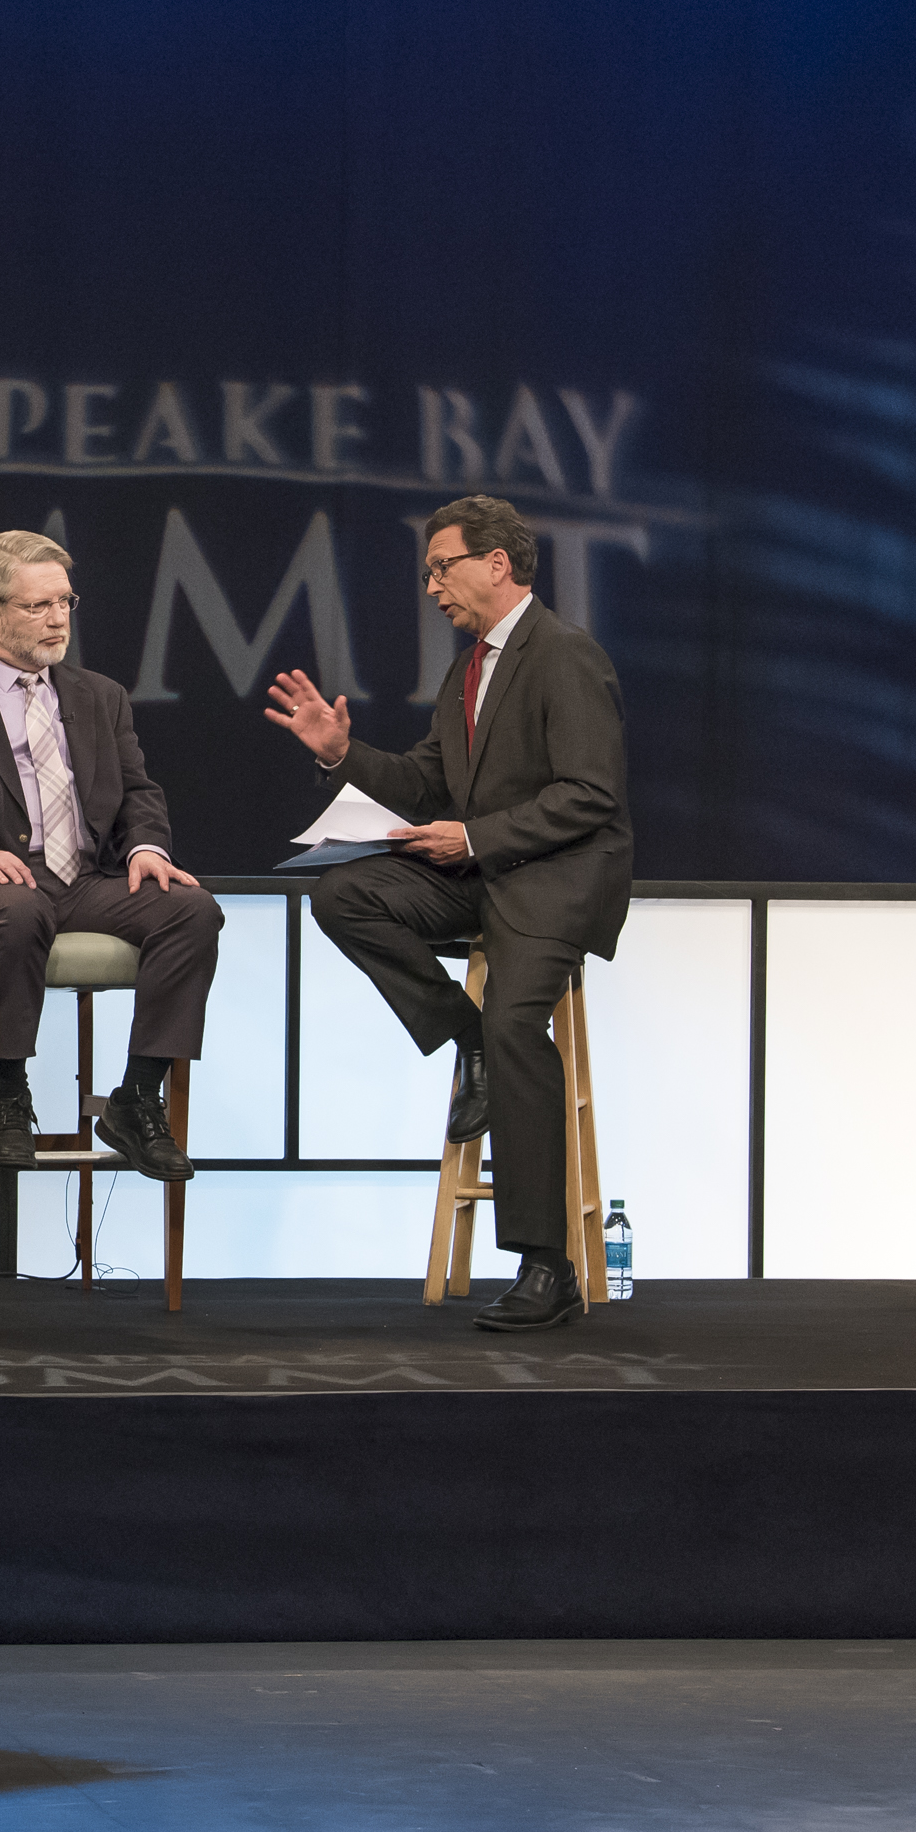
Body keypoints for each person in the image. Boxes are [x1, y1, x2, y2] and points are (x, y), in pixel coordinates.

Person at [264, 494, 632, 1334]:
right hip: (481, 869)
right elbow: (430, 782)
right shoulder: (469, 668)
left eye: (443, 568)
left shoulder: (566, 657)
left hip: (553, 879)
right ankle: (464, 1043)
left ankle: (548, 1268)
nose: (432, 587)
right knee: (344, 893)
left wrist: (473, 836)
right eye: (428, 572)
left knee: (516, 1030)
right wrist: (338, 754)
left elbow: (590, 796)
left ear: (496, 564)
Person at [0, 528, 222, 1179]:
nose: (58, 618)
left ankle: (137, 1098)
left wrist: (146, 846)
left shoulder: (100, 696)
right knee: (18, 909)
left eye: (65, 601)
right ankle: (9, 1095)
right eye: (38, 606)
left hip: (85, 877)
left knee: (193, 910)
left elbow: (138, 790)